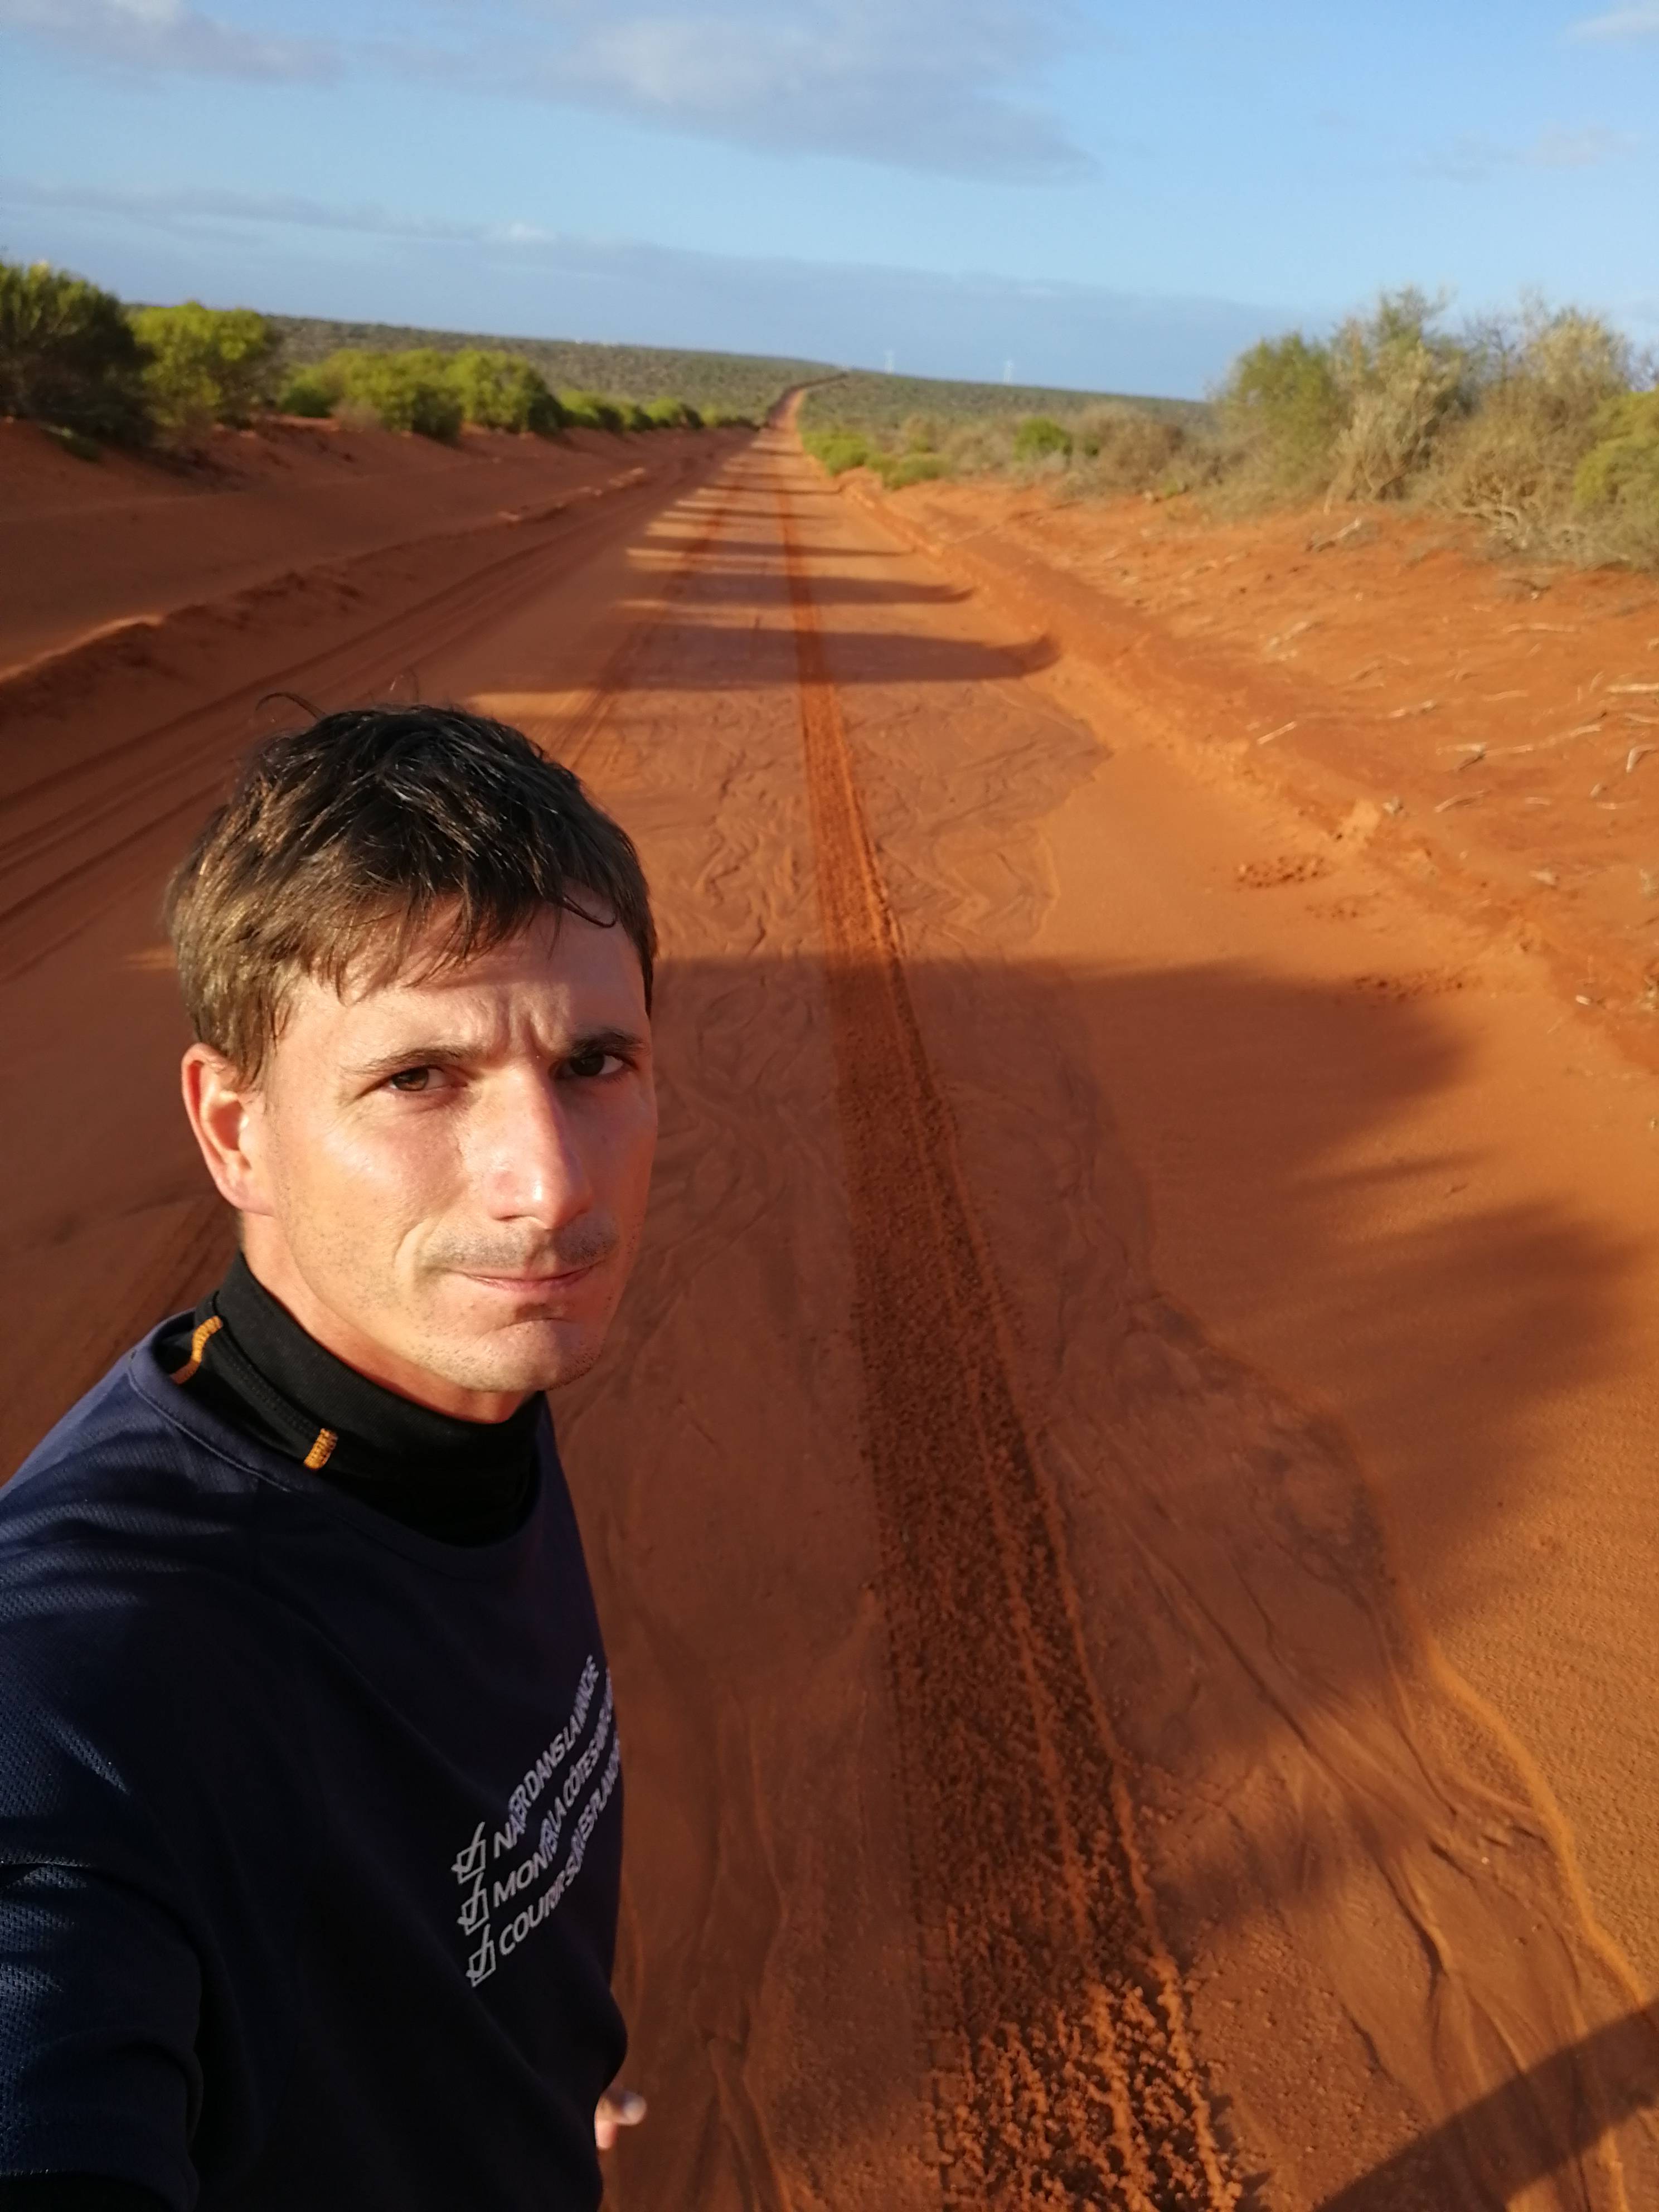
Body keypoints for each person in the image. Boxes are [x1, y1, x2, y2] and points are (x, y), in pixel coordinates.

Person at [0, 707, 658, 2209]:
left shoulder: (457, 1386)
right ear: (236, 1129)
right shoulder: (82, 1684)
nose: (551, 1185)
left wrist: (531, 2058)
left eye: (595, 1061)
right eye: (419, 1077)